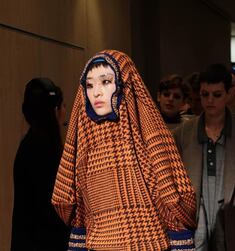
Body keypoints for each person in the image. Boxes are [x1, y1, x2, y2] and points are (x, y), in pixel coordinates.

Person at [51, 50, 197, 251]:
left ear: (124, 85)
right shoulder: (85, 141)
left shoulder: (148, 135)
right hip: (98, 244)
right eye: (89, 85)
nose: (96, 92)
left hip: (148, 244)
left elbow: (172, 198)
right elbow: (74, 207)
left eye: (105, 82)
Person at [173, 64, 235, 251]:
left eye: (217, 95)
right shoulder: (183, 134)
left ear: (228, 94)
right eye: (205, 94)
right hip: (196, 216)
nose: (210, 100)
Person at [11, 78, 69, 250]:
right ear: (55, 110)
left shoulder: (28, 144)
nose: (65, 110)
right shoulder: (46, 149)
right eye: (63, 105)